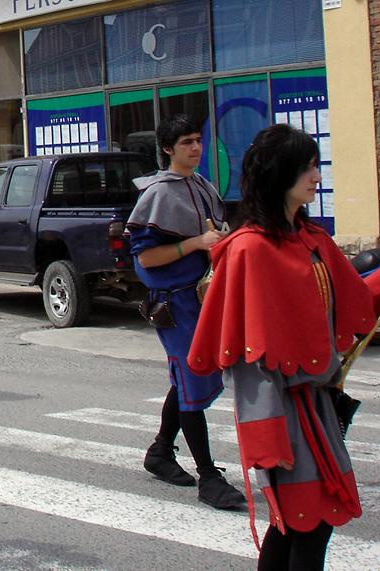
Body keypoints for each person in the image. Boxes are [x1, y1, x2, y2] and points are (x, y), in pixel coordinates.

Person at [189, 124, 380, 569]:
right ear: (281, 173)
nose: (317, 175)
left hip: (318, 404)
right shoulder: (249, 250)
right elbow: (246, 357)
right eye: (308, 167)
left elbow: (356, 299)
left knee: (299, 525)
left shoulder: (311, 239)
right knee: (306, 524)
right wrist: (265, 435)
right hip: (282, 409)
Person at [125, 114, 244, 510]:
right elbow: (146, 261)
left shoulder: (203, 186)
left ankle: (160, 451)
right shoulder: (156, 195)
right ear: (167, 149)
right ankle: (209, 477)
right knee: (192, 379)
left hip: (203, 301)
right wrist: (195, 243)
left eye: (198, 140)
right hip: (175, 305)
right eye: (187, 142)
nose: (196, 148)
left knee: (188, 378)